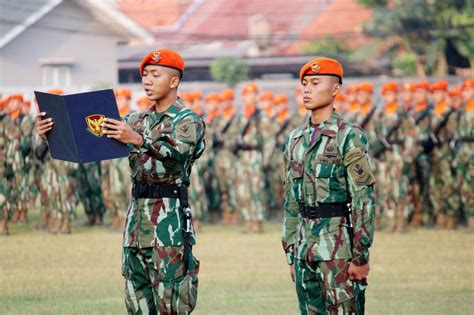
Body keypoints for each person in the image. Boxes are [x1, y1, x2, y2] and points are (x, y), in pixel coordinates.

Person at [36, 48, 205, 314]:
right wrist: (51, 134)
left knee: (171, 305)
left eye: (155, 74)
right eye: (145, 75)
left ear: (174, 81)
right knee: (136, 304)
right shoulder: (134, 120)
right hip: (135, 227)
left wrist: (138, 140)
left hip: (168, 226)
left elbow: (179, 156)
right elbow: (86, 142)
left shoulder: (187, 120)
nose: (147, 80)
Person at [282, 57, 376, 314]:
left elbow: (363, 198)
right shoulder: (295, 139)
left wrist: (360, 256)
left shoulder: (349, 135)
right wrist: (291, 253)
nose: (307, 89)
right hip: (303, 249)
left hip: (338, 248)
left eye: (315, 82)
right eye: (304, 84)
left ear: (335, 89)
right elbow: (290, 200)